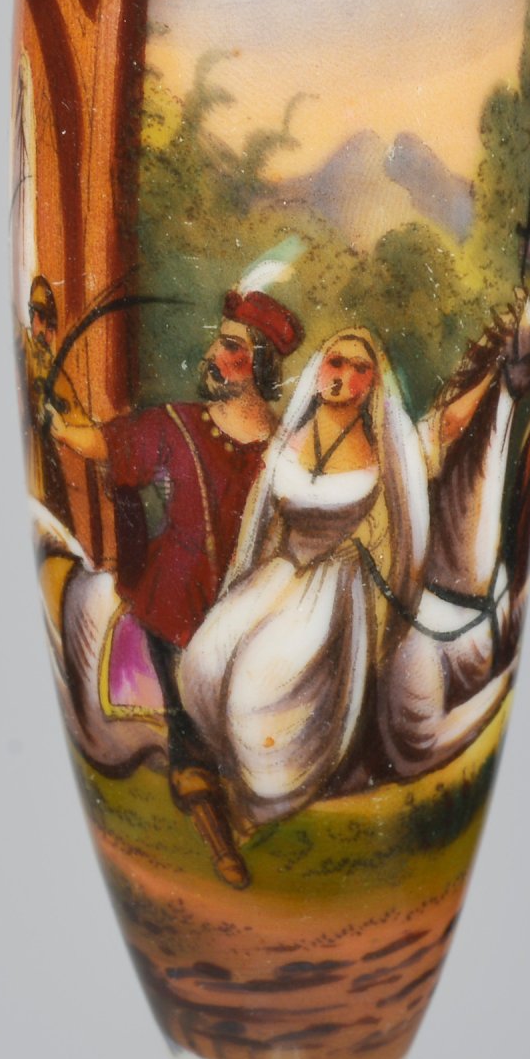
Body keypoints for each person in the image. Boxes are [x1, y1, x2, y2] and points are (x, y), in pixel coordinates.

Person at [51, 288, 304, 886]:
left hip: (251, 605)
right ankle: (215, 836)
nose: (213, 354)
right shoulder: (175, 425)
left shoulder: (288, 449)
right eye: (219, 342)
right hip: (176, 599)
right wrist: (61, 420)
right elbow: (106, 443)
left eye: (230, 346)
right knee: (189, 718)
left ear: (260, 365)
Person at [179, 329, 430, 830]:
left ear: (372, 383)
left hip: (332, 588)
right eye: (337, 362)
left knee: (262, 681)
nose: (344, 376)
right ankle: (227, 771)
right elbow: (265, 520)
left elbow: (392, 531)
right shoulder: (289, 440)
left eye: (360, 369)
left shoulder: (381, 453)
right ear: (318, 369)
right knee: (205, 657)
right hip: (282, 570)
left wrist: (354, 545)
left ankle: (271, 792)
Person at [15, 275, 86, 532]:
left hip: (45, 465)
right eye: (37, 316)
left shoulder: (51, 368)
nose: (45, 331)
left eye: (48, 322)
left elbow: (75, 413)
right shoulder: (29, 352)